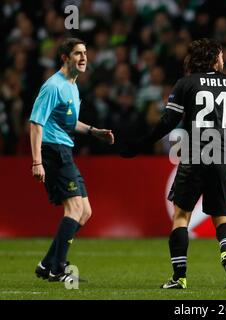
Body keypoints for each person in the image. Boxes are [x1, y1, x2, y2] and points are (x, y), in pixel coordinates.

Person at [120, 38, 226, 289]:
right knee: (224, 219)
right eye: (220, 55)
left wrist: (141, 144)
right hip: (222, 156)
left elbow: (168, 121)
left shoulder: (186, 84)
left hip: (195, 156)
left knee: (181, 216)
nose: (223, 59)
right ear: (213, 58)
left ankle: (179, 278)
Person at [30, 38, 114, 283]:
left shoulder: (72, 85)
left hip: (64, 149)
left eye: (85, 53)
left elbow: (67, 122)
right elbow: (36, 123)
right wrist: (37, 162)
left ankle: (46, 264)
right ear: (65, 58)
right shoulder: (53, 86)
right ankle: (58, 268)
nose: (84, 57)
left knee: (85, 212)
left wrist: (93, 131)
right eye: (78, 53)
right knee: (75, 209)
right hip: (53, 151)